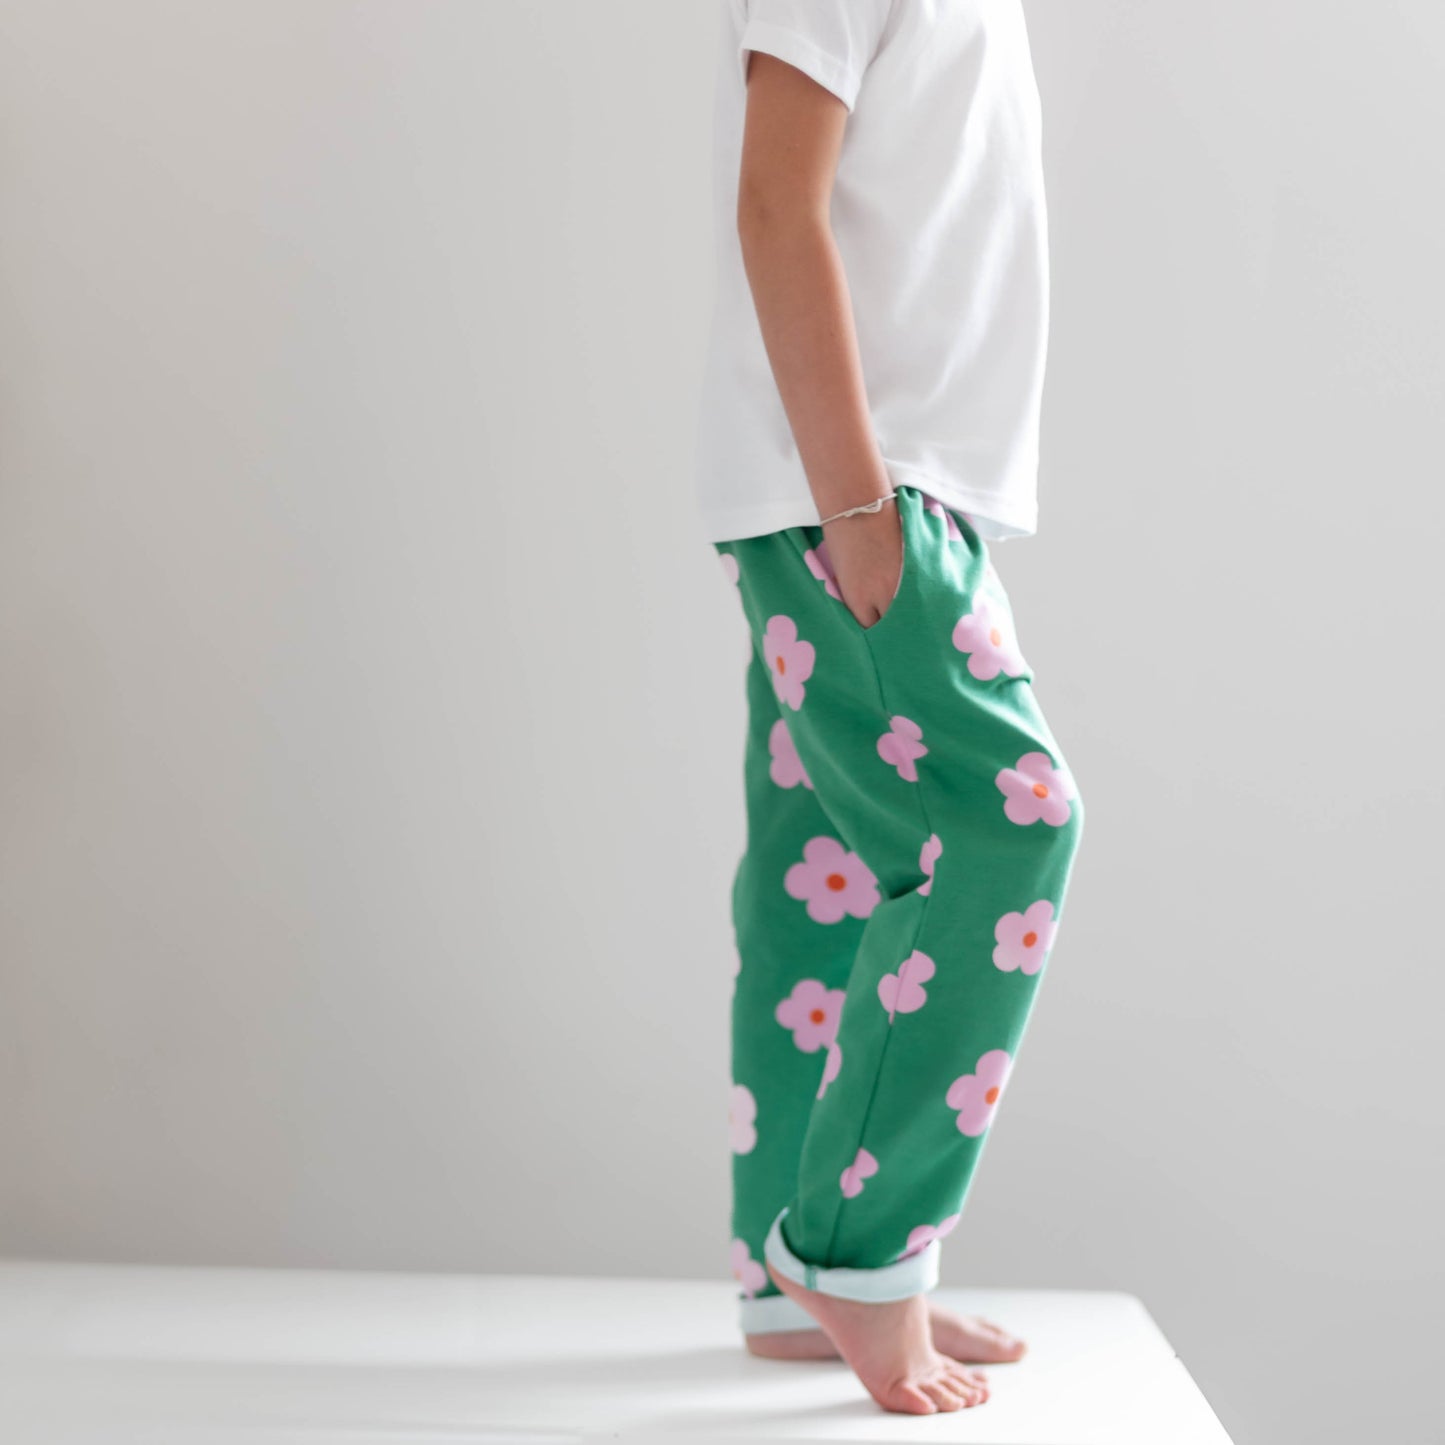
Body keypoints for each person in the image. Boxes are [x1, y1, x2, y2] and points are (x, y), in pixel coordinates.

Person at [695, 0, 1087, 1418]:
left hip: (862, 492)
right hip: (860, 493)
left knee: (825, 875)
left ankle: (782, 1273)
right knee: (1009, 822)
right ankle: (859, 1261)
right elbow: (775, 202)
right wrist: (861, 506)